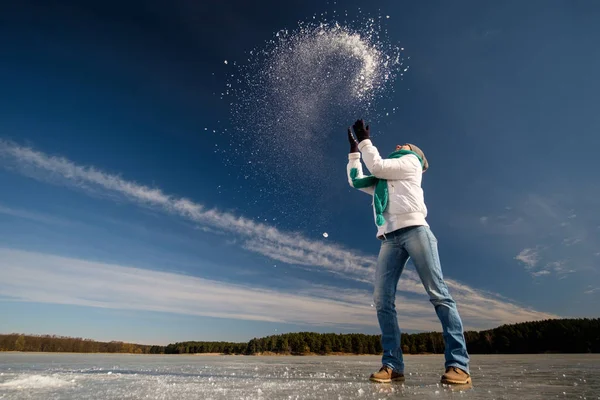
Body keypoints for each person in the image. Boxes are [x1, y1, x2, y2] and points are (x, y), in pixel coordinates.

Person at [346, 119, 471, 385]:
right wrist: (355, 152)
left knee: (438, 294)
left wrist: (366, 141)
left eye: (404, 145)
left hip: (416, 230)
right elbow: (356, 181)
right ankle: (392, 365)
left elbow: (378, 164)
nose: (398, 145)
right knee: (382, 300)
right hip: (389, 238)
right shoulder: (383, 180)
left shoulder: (411, 163)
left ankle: (459, 366)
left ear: (414, 152)